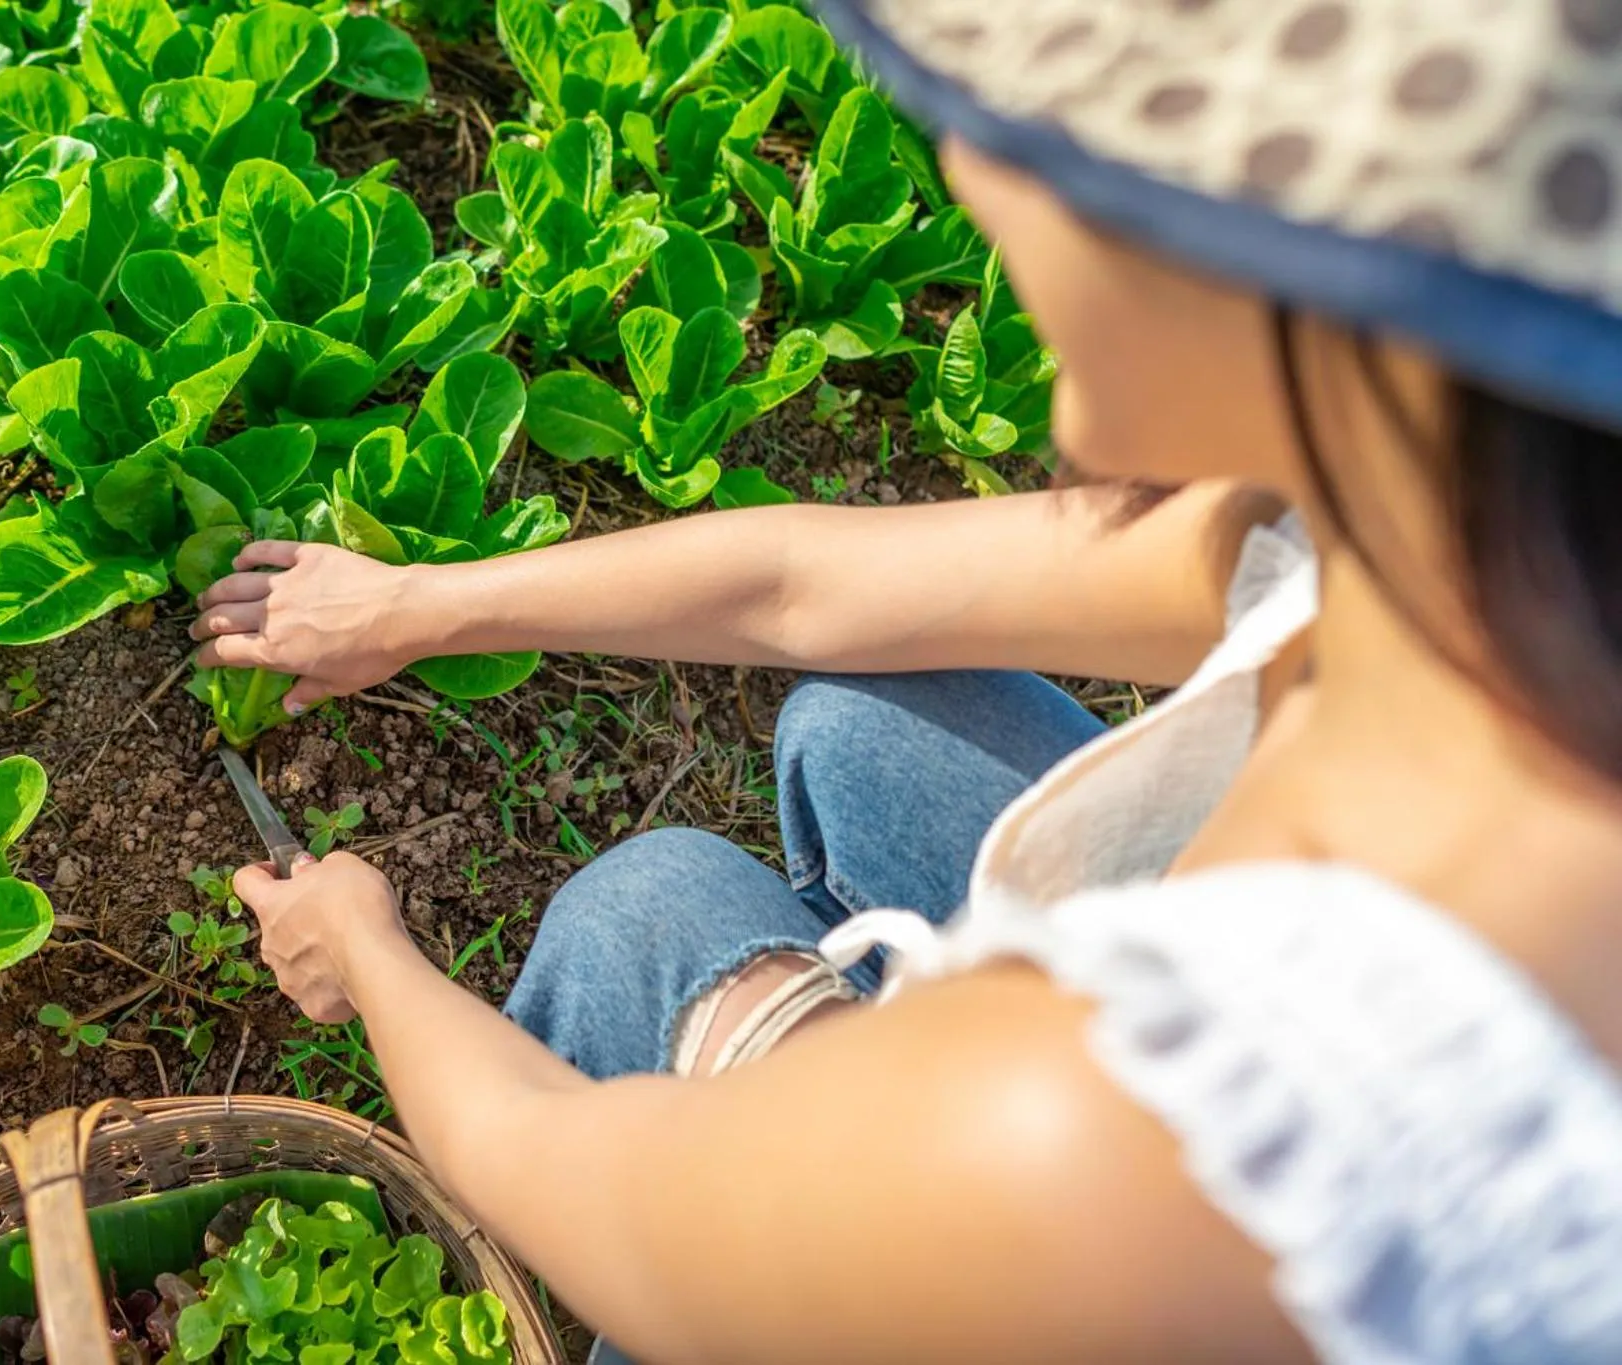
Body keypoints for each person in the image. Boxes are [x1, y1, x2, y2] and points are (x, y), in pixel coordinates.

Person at [192, 2, 1622, 1359]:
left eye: (1054, 137)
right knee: (879, 719)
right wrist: (418, 605)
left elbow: (615, 1205)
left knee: (650, 914)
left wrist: (366, 958)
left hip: (1054, 1258)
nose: (977, 164)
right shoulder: (1448, 535)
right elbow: (813, 590)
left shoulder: (1218, 1139)